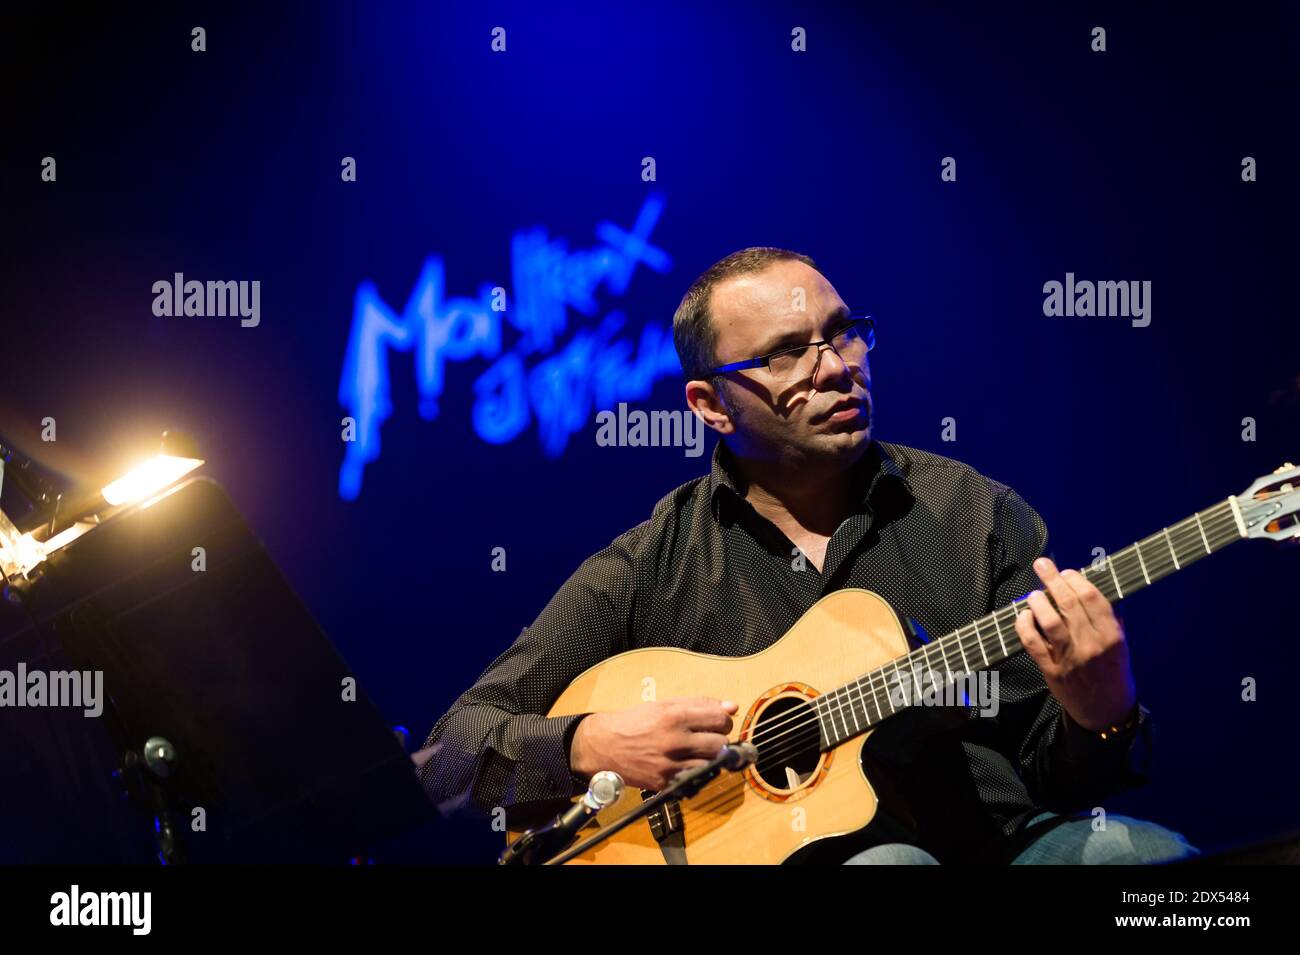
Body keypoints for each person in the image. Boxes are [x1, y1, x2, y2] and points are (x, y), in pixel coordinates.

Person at [417, 247, 1198, 864]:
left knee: (1166, 867)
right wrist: (588, 744)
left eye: (843, 332)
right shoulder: (650, 562)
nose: (835, 366)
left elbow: (1059, 775)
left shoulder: (974, 511)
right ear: (710, 404)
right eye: (788, 352)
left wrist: (1101, 712)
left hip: (995, 846)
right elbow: (449, 755)